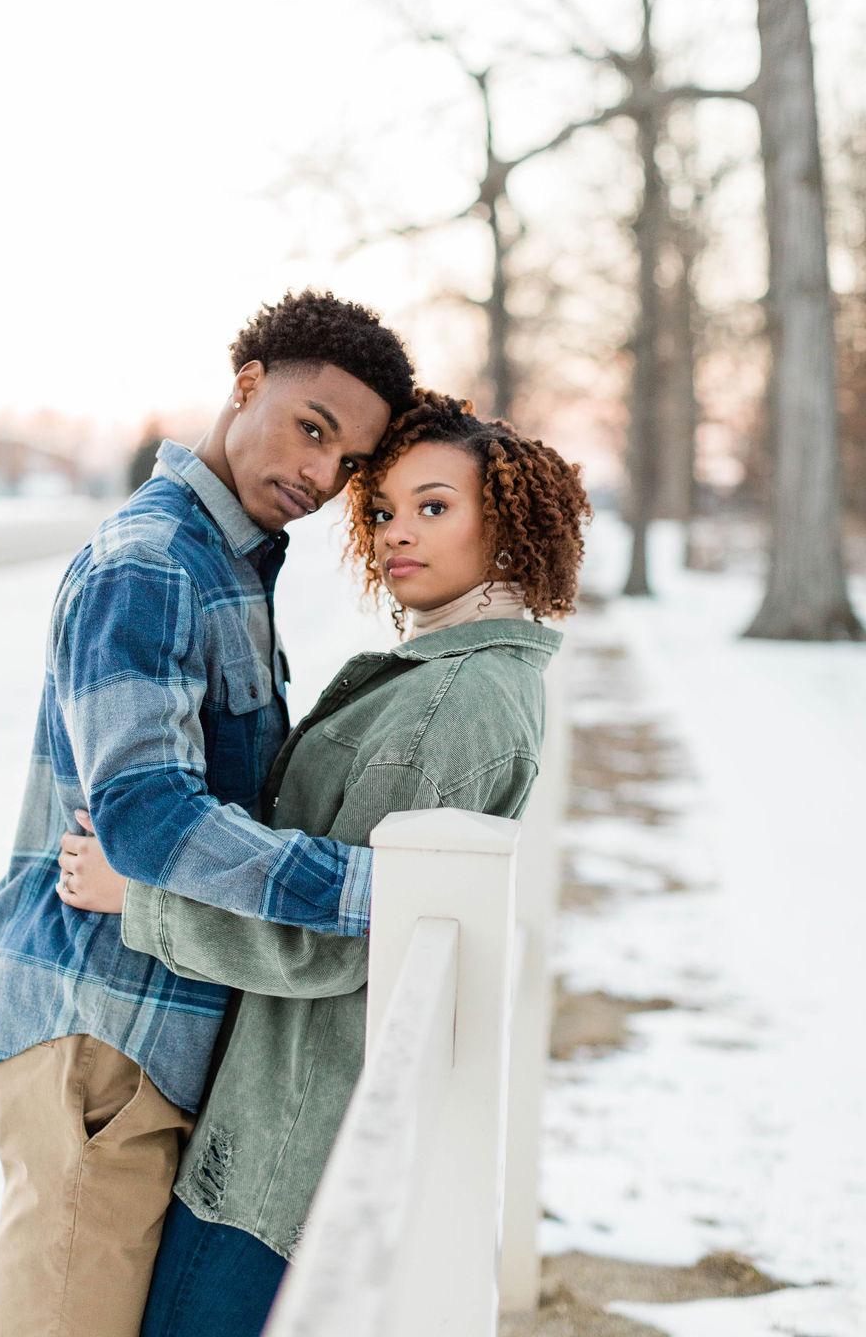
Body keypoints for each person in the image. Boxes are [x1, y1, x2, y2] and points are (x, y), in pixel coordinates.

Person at [60, 390, 593, 1337]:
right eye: (382, 511)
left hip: (283, 1151)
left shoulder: (453, 703)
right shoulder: (461, 674)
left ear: (506, 526)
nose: (397, 533)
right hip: (293, 1118)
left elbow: (340, 935)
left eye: (434, 506)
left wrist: (139, 898)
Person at [0, 289, 416, 1337]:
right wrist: (375, 889)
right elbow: (149, 819)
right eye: (312, 429)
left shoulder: (224, 564)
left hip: (150, 1028)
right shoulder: (152, 562)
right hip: (100, 1031)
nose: (321, 477)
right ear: (246, 384)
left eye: (349, 461)